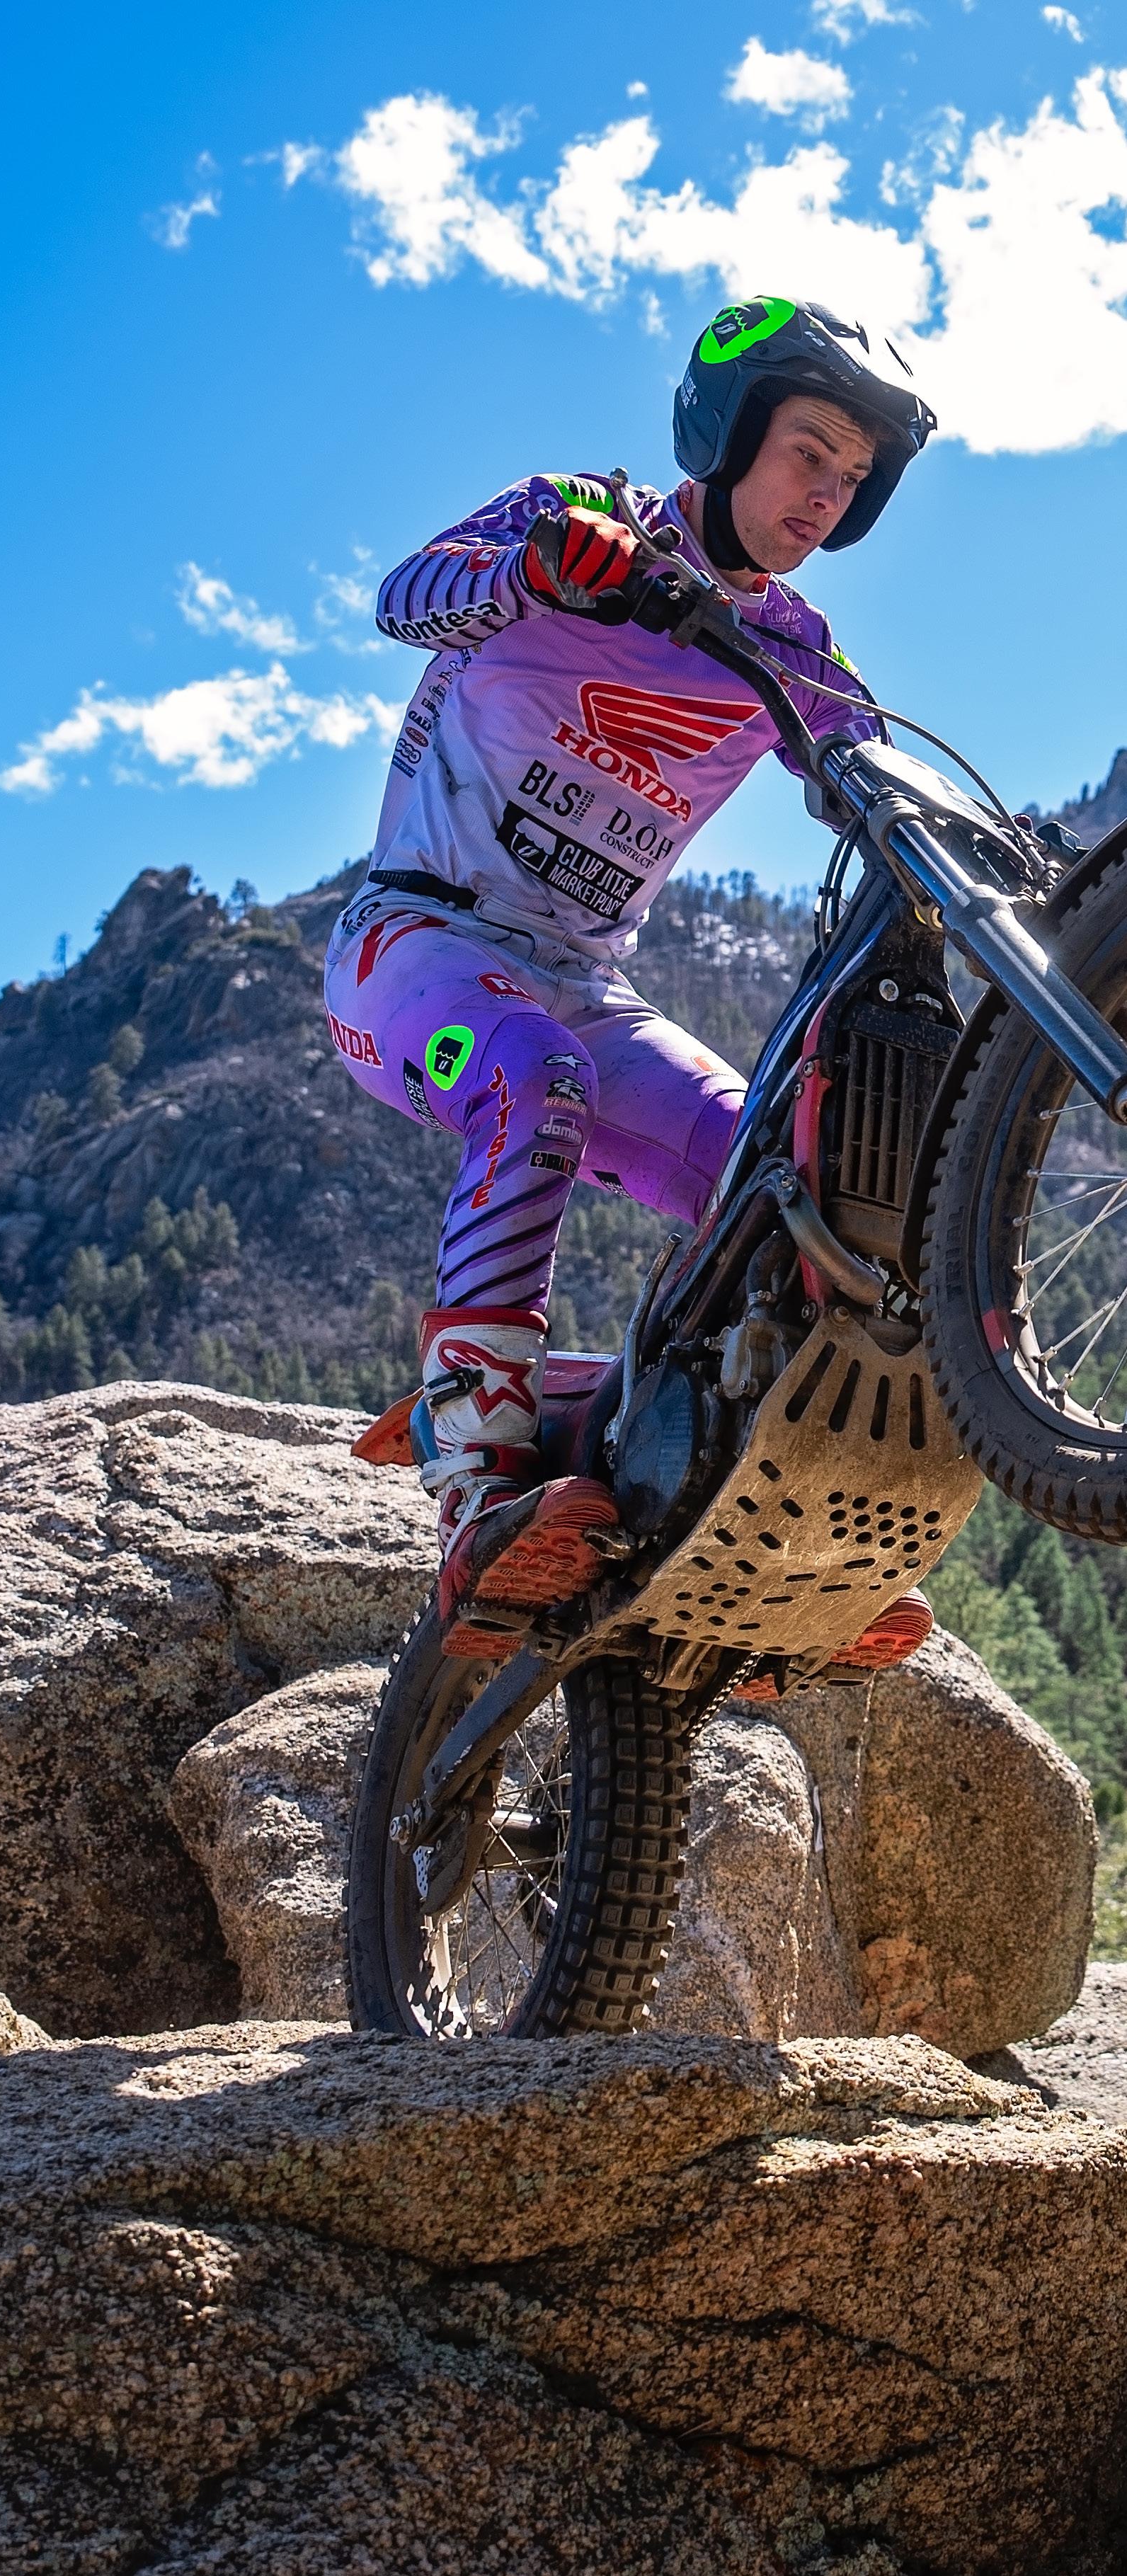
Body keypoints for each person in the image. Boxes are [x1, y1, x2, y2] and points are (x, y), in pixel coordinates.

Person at [324, 295, 937, 1658]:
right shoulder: (573, 515)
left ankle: (738, 1517)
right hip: (414, 945)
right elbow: (402, 598)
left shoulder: (794, 649)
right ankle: (474, 1485)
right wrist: (539, 566)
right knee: (532, 1078)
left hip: (584, 984)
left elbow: (878, 779)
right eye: (807, 452)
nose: (824, 497)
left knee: (785, 1187)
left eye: (851, 480)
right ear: (726, 432)